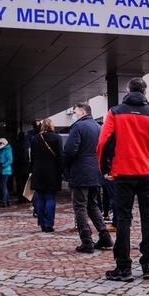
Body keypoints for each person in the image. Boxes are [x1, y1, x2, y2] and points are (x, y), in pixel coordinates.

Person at [98, 77, 149, 281]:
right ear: (145, 92)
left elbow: (103, 141)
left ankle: (124, 267)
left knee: (123, 219)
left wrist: (105, 168)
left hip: (123, 172)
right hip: (146, 171)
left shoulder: (115, 112)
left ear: (128, 90)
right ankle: (148, 264)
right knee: (148, 217)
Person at [63, 102, 113, 253]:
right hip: (95, 172)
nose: (73, 115)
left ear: (83, 112)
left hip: (80, 172)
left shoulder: (78, 127)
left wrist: (65, 166)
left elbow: (70, 150)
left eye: (74, 112)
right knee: (92, 205)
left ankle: (86, 240)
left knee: (80, 206)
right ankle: (104, 236)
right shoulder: (98, 127)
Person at [31, 119, 63, 232]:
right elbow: (60, 156)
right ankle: (49, 224)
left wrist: (32, 171)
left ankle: (42, 223)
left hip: (38, 171)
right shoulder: (57, 138)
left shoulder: (35, 139)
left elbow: (32, 157)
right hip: (52, 171)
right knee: (50, 197)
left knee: (40, 198)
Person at [0, 137, 14, 207]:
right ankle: (7, 201)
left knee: (3, 186)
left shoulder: (7, 150)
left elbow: (10, 160)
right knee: (3, 186)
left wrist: (2, 166)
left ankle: (4, 201)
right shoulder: (0, 150)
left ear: (4, 143)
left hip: (5, 170)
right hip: (1, 170)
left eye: (0, 143)